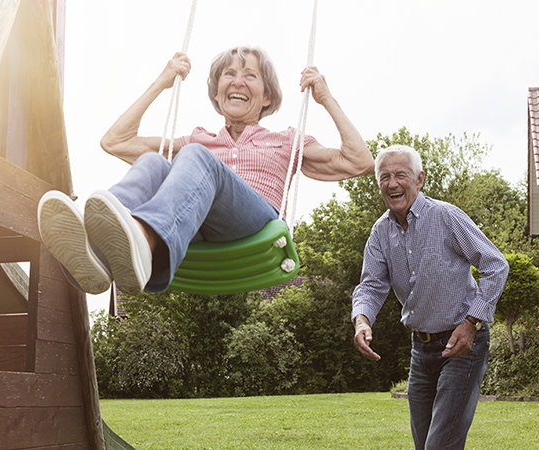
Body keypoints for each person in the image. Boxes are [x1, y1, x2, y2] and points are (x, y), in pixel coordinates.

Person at [37, 46, 373, 295]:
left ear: (268, 96)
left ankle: (140, 237)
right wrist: (162, 82)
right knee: (155, 161)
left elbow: (359, 161)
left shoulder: (285, 140)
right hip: (191, 223)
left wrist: (326, 98)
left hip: (253, 223)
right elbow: (115, 141)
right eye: (229, 74)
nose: (237, 81)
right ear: (216, 92)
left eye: (249, 75)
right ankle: (94, 251)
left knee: (194, 156)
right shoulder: (199, 141)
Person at [351, 145, 508, 450]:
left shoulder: (446, 216)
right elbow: (370, 286)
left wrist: (471, 321)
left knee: (440, 446)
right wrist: (361, 320)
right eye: (385, 177)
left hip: (463, 344)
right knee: (424, 445)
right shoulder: (380, 233)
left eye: (401, 175)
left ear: (419, 179)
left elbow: (495, 265)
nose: (392, 183)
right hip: (420, 352)